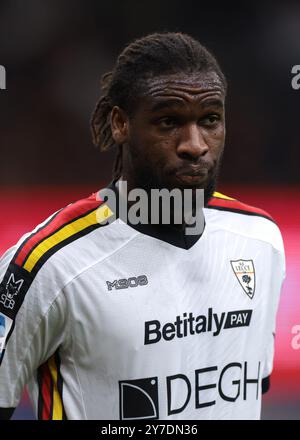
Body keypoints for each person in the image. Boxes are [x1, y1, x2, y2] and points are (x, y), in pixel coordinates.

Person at [0, 32, 285, 420]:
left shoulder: (260, 240)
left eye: (211, 120)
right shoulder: (49, 264)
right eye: (169, 122)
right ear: (120, 123)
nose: (195, 144)